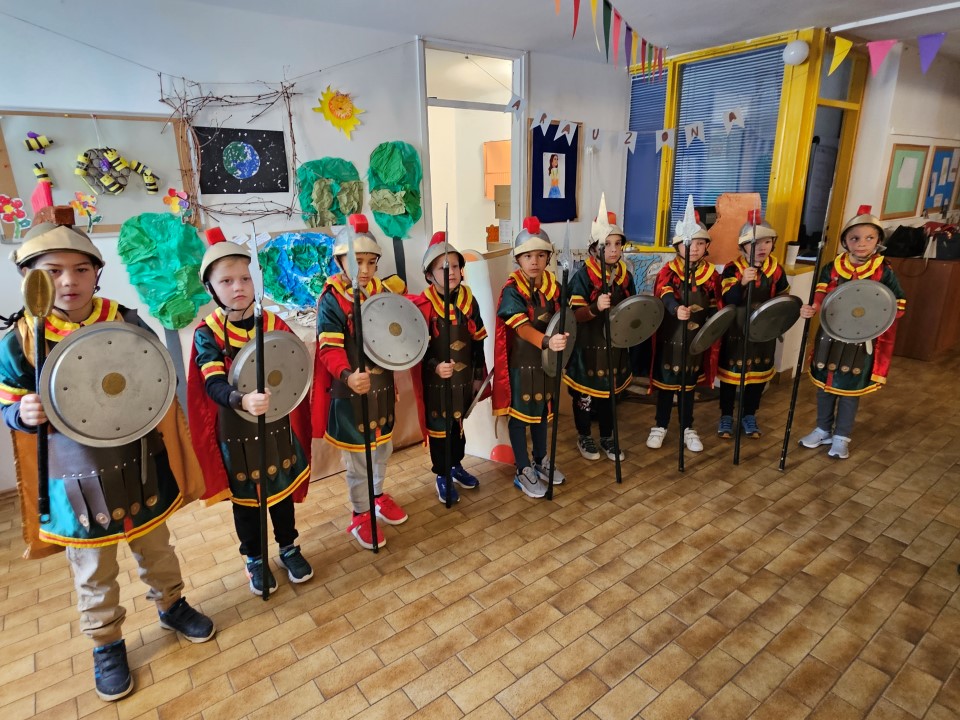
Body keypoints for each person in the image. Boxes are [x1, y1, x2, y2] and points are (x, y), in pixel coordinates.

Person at [0, 211, 214, 702]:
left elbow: (152, 377)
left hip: (139, 459)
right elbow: (9, 402)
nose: (68, 281)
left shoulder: (122, 319)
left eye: (80, 269)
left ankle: (172, 605)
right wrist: (21, 413)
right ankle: (106, 642)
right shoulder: (21, 339)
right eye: (53, 271)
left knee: (157, 548)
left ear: (96, 272)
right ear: (30, 279)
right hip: (76, 474)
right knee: (93, 568)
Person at [187, 228, 313, 594]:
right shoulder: (208, 333)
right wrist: (240, 399)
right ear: (211, 288)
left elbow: (294, 367)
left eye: (244, 278)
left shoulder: (272, 324)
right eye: (226, 281)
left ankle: (288, 547)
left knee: (281, 492)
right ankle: (254, 558)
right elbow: (212, 382)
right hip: (237, 433)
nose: (238, 287)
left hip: (276, 427)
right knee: (247, 502)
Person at [312, 214, 408, 549]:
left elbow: (394, 340)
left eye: (370, 262)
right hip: (351, 391)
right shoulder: (332, 299)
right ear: (340, 261)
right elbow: (329, 348)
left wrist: (394, 382)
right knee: (358, 460)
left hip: (382, 388)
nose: (364, 270)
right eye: (356, 261)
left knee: (382, 449)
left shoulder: (382, 292)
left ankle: (377, 496)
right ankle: (360, 514)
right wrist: (347, 376)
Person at [798, 205, 906, 459]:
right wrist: (812, 308)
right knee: (826, 386)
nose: (862, 243)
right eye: (855, 238)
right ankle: (823, 429)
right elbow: (821, 296)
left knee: (849, 390)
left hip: (860, 341)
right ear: (845, 241)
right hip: (830, 335)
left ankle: (841, 436)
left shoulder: (883, 270)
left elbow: (896, 305)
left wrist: (874, 317)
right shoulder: (833, 267)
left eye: (869, 238)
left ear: (878, 240)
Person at [493, 217, 568, 497]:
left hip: (545, 364)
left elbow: (564, 320)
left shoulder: (554, 286)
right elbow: (522, 328)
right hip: (521, 364)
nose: (534, 261)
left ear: (548, 257)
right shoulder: (513, 290)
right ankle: (522, 468)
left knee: (542, 412)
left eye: (540, 255)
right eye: (527, 256)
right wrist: (547, 341)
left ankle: (540, 459)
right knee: (520, 415)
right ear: (518, 259)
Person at [413, 232, 487, 503]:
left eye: (455, 266)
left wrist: (478, 377)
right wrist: (435, 366)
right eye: (443, 268)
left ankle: (456, 466)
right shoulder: (424, 305)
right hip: (436, 382)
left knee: (458, 425)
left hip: (462, 379)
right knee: (440, 429)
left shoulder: (469, 300)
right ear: (429, 274)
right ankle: (442, 474)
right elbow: (417, 349)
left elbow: (478, 341)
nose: (451, 272)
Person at [564, 207, 635, 461]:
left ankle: (607, 436)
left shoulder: (625, 276)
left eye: (617, 244)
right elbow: (575, 314)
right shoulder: (583, 276)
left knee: (609, 396)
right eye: (607, 244)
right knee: (584, 396)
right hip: (588, 347)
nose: (613, 249)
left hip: (614, 347)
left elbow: (632, 309)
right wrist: (595, 308)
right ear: (594, 248)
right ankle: (584, 435)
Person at [647, 219, 722, 453]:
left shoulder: (711, 275)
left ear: (706, 245)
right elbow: (665, 292)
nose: (695, 248)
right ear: (678, 245)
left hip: (695, 341)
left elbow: (715, 305)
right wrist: (675, 308)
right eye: (689, 243)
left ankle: (687, 427)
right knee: (667, 385)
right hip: (670, 338)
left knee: (688, 386)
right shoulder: (669, 271)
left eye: (700, 243)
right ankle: (660, 425)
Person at [716, 219, 789, 439]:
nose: (762, 247)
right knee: (731, 378)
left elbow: (783, 299)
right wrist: (742, 283)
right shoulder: (732, 268)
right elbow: (728, 299)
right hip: (736, 331)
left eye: (767, 241)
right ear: (743, 246)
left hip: (763, 332)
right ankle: (726, 415)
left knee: (757, 376)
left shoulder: (776, 270)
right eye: (755, 243)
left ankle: (749, 414)